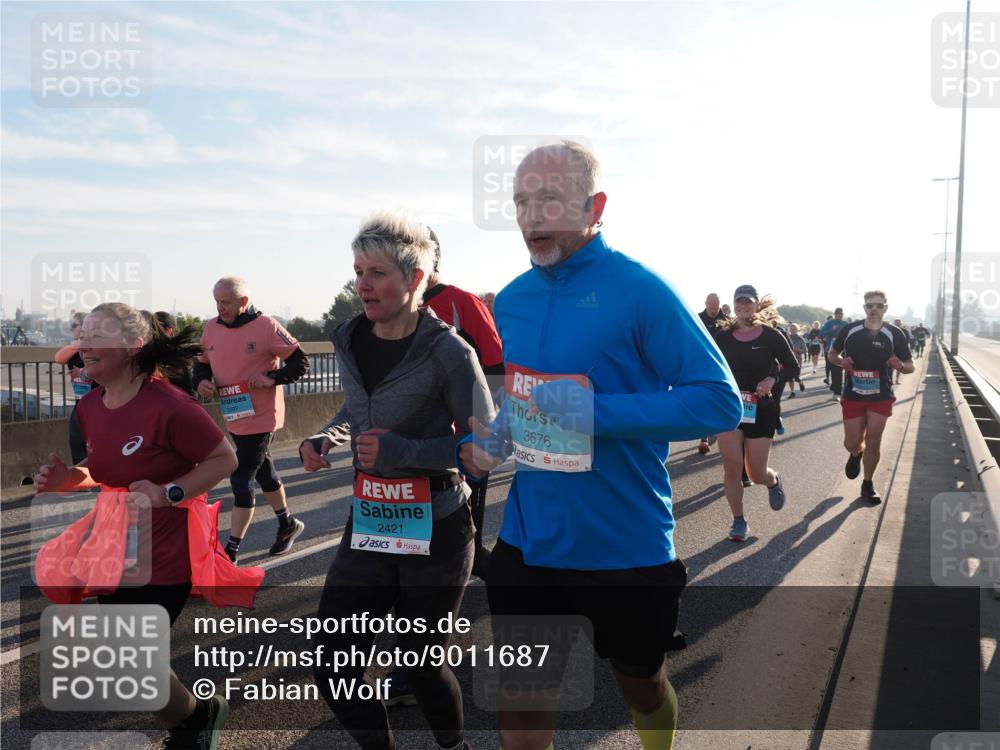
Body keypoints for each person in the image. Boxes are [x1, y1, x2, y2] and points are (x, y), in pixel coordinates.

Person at [458, 141, 742, 750]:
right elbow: (527, 399)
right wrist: (494, 437)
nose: (532, 217)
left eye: (550, 200)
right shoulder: (511, 299)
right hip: (529, 542)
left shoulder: (641, 290)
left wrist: (594, 414)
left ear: (595, 206)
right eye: (521, 202)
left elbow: (719, 401)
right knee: (525, 707)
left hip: (625, 543)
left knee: (641, 684)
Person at [300, 212, 493, 750]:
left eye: (378, 272)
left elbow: (488, 448)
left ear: (414, 279)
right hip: (372, 523)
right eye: (358, 270)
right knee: (334, 666)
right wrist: (327, 437)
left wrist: (405, 450)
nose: (362, 284)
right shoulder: (349, 338)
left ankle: (455, 745)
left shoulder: (451, 351)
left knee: (421, 667)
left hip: (438, 527)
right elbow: (358, 404)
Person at [33, 302, 264, 749]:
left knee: (130, 659)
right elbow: (102, 468)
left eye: (98, 335)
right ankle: (195, 717)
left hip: (165, 554)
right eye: (84, 336)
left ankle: (195, 721)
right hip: (114, 547)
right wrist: (71, 478)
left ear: (133, 346)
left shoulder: (170, 405)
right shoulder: (91, 407)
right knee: (124, 660)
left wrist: (170, 492)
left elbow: (224, 459)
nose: (85, 345)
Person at [192, 278, 309, 563]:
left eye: (227, 302)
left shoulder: (266, 326)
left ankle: (230, 550)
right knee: (264, 471)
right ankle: (287, 524)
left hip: (262, 416)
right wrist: (202, 382)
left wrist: (272, 377)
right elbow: (200, 364)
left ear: (244, 302)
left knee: (241, 476)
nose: (221, 308)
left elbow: (300, 362)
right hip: (234, 414)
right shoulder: (211, 328)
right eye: (217, 301)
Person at [421, 227, 505, 579]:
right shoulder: (390, 310)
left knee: (461, 530)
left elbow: (497, 368)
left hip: (460, 438)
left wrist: (484, 431)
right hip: (409, 442)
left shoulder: (463, 302)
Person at [711, 287, 799, 541]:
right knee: (732, 467)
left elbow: (792, 367)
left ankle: (772, 480)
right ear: (734, 305)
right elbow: (711, 367)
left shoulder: (771, 336)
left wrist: (772, 378)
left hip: (761, 409)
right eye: (739, 301)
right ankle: (739, 521)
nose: (743, 306)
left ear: (756, 305)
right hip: (730, 408)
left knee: (755, 473)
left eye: (748, 302)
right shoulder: (723, 337)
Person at [829, 291, 914, 503]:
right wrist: (842, 362)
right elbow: (832, 354)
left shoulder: (896, 333)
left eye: (878, 305)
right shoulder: (850, 330)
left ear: (885, 308)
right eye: (869, 306)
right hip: (853, 394)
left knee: (874, 440)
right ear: (864, 308)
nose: (873, 309)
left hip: (881, 395)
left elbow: (910, 366)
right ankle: (856, 454)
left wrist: (900, 366)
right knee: (851, 442)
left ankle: (867, 484)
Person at [53, 311, 93, 464]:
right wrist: (79, 343)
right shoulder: (75, 349)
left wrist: (82, 372)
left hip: (97, 401)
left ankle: (93, 483)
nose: (70, 329)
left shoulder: (94, 347)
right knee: (76, 443)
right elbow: (58, 358)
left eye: (73, 326)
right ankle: (82, 484)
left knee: (91, 445)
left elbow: (105, 367)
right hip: (80, 402)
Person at [697, 293, 725, 453]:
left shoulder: (727, 320)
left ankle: (714, 430)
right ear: (706, 303)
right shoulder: (697, 318)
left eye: (716, 307)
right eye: (711, 307)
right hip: (701, 364)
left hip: (721, 365)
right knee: (702, 400)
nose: (714, 310)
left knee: (717, 399)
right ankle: (703, 437)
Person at [155, 311, 196, 395]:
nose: (153, 332)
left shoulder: (178, 358)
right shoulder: (146, 354)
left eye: (157, 328)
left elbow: (189, 393)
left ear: (169, 331)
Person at [820, 307, 847, 400]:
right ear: (835, 314)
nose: (839, 316)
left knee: (840, 370)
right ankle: (836, 390)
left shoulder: (845, 324)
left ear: (843, 315)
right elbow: (821, 333)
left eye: (841, 314)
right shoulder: (829, 323)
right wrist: (831, 330)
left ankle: (838, 392)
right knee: (834, 370)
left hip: (843, 350)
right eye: (837, 314)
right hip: (831, 350)